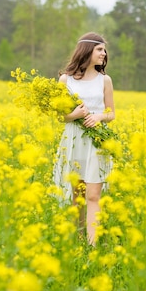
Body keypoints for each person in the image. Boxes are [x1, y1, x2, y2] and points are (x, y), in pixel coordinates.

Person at [53, 32, 115, 245]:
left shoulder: (105, 80)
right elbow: (60, 116)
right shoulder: (65, 80)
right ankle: (78, 241)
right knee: (77, 196)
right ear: (87, 50)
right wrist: (75, 115)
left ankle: (92, 246)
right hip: (74, 141)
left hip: (96, 142)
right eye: (100, 49)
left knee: (93, 196)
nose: (104, 54)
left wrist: (99, 116)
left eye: (104, 50)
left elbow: (111, 114)